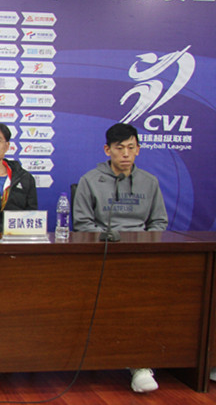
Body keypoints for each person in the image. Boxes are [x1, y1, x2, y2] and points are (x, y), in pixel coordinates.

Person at [73, 122, 168, 393]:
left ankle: (141, 364)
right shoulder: (90, 180)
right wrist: (108, 240)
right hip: (101, 254)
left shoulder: (150, 181)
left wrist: (143, 245)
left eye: (130, 147)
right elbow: (82, 223)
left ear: (138, 149)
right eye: (119, 148)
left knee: (147, 303)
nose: (125, 154)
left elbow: (159, 222)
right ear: (108, 150)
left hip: (140, 255)